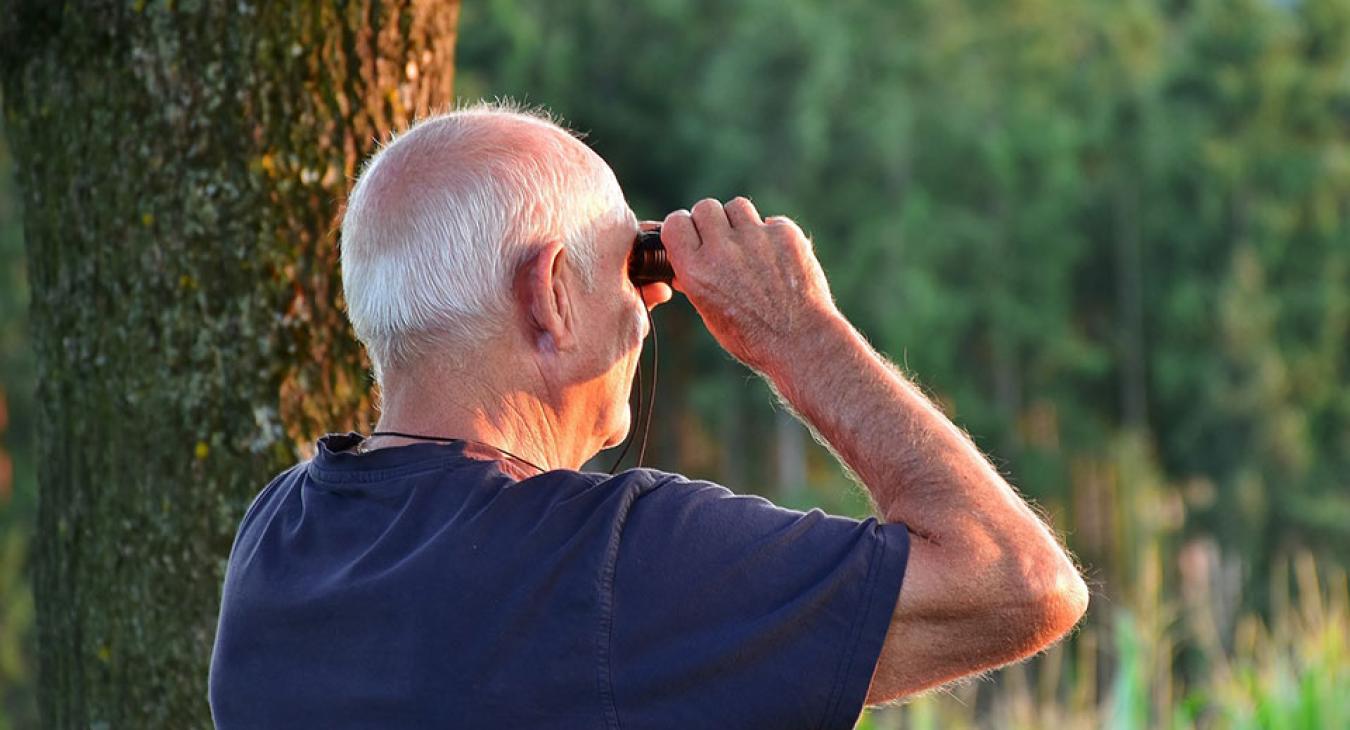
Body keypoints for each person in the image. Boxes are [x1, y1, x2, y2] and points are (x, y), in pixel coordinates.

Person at [208, 104, 1089, 729]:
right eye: (630, 268)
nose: (648, 308)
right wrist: (797, 332)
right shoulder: (615, 567)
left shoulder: (277, 543)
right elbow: (1016, 583)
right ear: (550, 296)